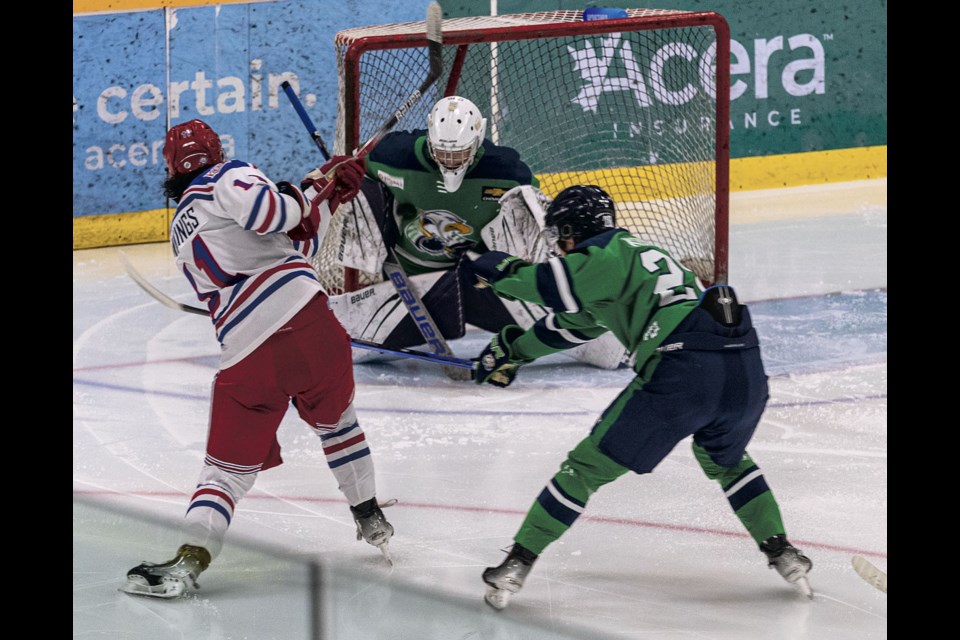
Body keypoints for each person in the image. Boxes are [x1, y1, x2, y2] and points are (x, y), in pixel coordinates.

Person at [464, 185, 813, 610]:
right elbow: (570, 327)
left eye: (561, 237)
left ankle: (517, 563)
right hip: (745, 365)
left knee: (583, 470)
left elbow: (547, 286)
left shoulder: (605, 255)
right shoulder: (634, 261)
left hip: (686, 366)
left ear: (575, 230)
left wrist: (492, 266)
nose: (559, 247)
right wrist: (513, 351)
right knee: (726, 461)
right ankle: (782, 552)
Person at [121, 119, 394, 599]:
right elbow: (274, 215)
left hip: (246, 351)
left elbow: (287, 239)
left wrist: (321, 194)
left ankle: (190, 561)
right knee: (338, 424)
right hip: (308, 323)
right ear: (217, 151)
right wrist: (310, 190)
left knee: (224, 473)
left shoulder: (180, 226)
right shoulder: (227, 175)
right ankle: (368, 513)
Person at [327, 95, 629, 370]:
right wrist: (343, 172)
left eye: (458, 154)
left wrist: (523, 266)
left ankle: (609, 343)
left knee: (527, 222)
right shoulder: (394, 154)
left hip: (478, 280)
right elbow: (351, 166)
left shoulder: (506, 171)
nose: (450, 162)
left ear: (478, 139)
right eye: (443, 153)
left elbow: (537, 224)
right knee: (335, 336)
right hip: (410, 281)